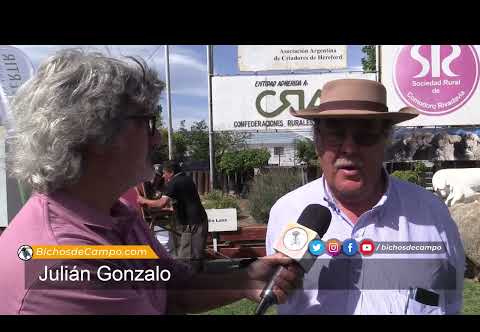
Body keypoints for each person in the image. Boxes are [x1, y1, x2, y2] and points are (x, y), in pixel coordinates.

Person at [0, 49, 302, 315]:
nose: (157, 137)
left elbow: (170, 290)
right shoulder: (62, 264)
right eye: (147, 122)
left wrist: (244, 280)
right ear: (95, 134)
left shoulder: (116, 215)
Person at [266, 78, 465, 315]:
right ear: (317, 140)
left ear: (386, 140)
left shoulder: (432, 214)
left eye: (365, 134)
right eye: (335, 133)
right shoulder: (286, 211)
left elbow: (450, 302)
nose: (349, 148)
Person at [137, 161, 207, 272]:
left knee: (187, 256)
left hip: (192, 222)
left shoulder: (174, 183)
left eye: (164, 173)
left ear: (172, 172)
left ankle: (190, 284)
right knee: (195, 255)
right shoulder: (186, 179)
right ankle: (196, 280)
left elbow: (161, 203)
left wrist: (142, 200)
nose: (163, 176)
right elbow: (179, 203)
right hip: (197, 220)